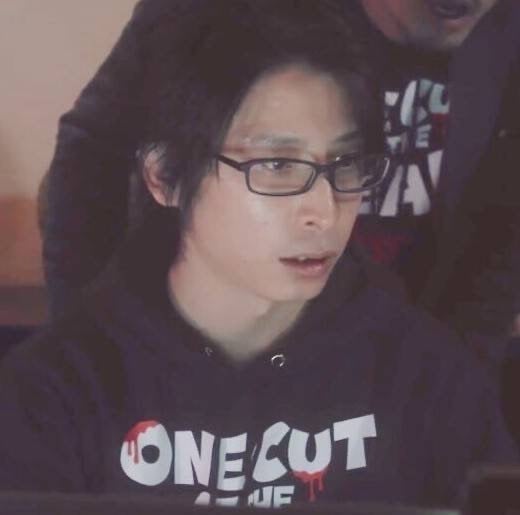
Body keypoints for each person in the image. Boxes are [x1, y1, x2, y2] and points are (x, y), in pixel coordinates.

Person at [1, 1, 516, 507]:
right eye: (275, 166)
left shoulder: (435, 381)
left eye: (346, 163)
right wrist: (97, 349)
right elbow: (89, 155)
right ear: (164, 176)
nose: (324, 213)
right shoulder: (51, 396)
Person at [39, 0, 520, 365]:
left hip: (395, 373)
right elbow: (92, 157)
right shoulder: (213, 14)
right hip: (198, 362)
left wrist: (458, 379)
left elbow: (504, 227)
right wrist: (92, 353)